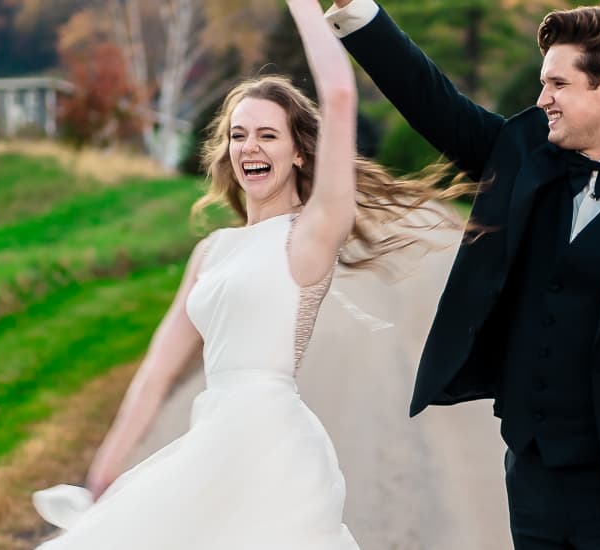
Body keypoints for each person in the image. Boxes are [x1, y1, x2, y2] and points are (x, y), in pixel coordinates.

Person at [325, 1, 600, 549]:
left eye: (557, 84)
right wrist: (357, 13)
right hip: (536, 482)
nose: (542, 98)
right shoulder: (522, 159)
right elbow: (432, 102)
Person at [28, 0, 459, 546]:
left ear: (301, 153)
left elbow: (341, 94)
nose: (249, 146)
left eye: (267, 135)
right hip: (210, 444)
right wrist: (104, 473)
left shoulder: (311, 232)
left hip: (275, 455)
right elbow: (156, 373)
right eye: (238, 135)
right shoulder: (211, 251)